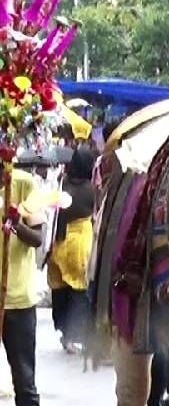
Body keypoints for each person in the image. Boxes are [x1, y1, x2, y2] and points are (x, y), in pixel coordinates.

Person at [1, 166, 48, 406]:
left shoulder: (23, 183)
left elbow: (37, 239)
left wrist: (15, 222)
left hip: (18, 300)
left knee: (25, 381)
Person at [47, 146, 96, 353]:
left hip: (59, 241)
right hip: (80, 243)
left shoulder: (62, 184)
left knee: (59, 289)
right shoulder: (92, 189)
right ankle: (74, 336)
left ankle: (64, 332)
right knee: (79, 290)